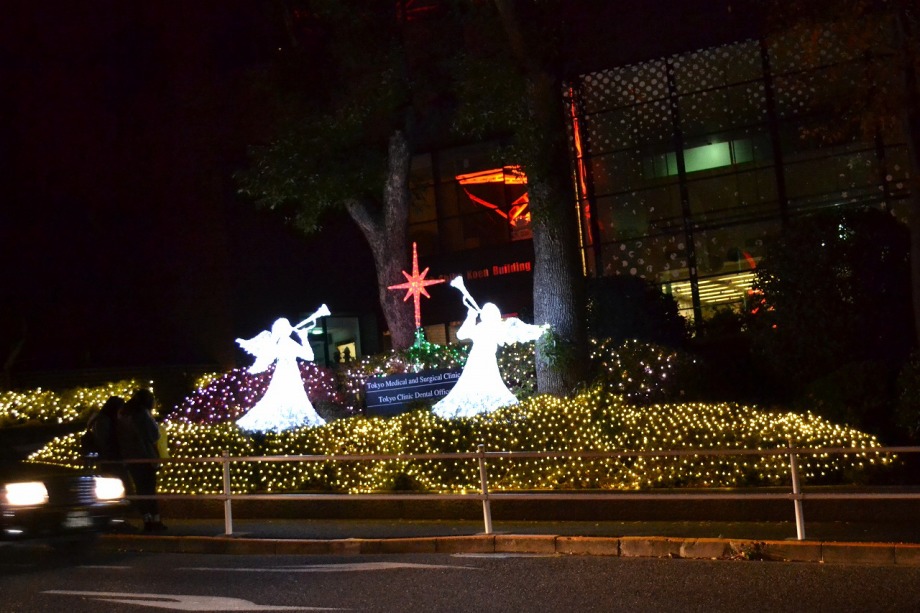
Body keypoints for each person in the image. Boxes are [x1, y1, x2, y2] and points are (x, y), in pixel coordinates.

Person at [432, 301, 547, 419]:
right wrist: (470, 317)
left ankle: (486, 414)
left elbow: (519, 331)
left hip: (487, 361)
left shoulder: (497, 328)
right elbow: (461, 334)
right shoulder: (480, 327)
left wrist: (539, 330)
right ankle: (478, 414)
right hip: (475, 362)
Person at [236, 315, 326, 431]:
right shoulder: (287, 343)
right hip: (288, 374)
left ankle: (285, 428)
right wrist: (304, 338)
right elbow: (309, 356)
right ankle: (288, 428)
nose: (290, 327)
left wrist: (303, 338)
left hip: (285, 374)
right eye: (287, 326)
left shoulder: (282, 343)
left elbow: (309, 356)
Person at [116, 388, 166, 531]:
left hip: (131, 457)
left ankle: (146, 519)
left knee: (140, 489)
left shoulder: (123, 414)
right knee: (150, 489)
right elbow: (154, 435)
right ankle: (156, 520)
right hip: (146, 456)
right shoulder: (143, 414)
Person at [88, 395, 129, 485]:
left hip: (109, 458)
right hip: (111, 458)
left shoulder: (101, 419)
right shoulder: (104, 421)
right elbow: (104, 440)